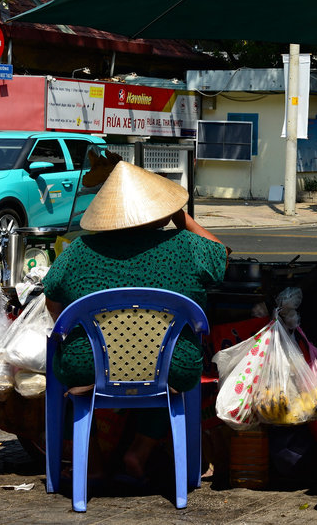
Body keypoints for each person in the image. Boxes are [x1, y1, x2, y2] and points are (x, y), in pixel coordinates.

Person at [42, 160, 228, 481]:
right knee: (166, 361)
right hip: (170, 366)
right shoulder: (186, 246)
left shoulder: (79, 250)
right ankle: (140, 450)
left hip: (90, 367)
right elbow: (221, 253)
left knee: (65, 363)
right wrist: (182, 219)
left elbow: (52, 298)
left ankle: (94, 464)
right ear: (159, 210)